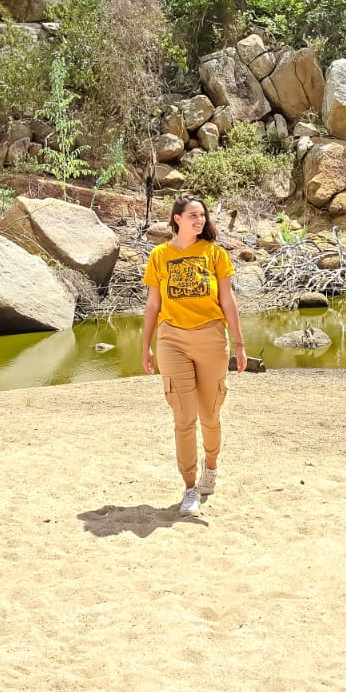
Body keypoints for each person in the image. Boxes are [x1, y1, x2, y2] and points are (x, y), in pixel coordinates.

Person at [142, 195, 247, 517]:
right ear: (176, 219)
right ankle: (189, 488)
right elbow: (152, 305)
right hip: (172, 339)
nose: (199, 220)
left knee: (209, 414)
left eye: (202, 215)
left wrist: (239, 342)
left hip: (211, 339)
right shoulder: (159, 256)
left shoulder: (215, 254)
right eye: (192, 215)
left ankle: (210, 467)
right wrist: (145, 345)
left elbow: (227, 300)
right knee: (183, 418)